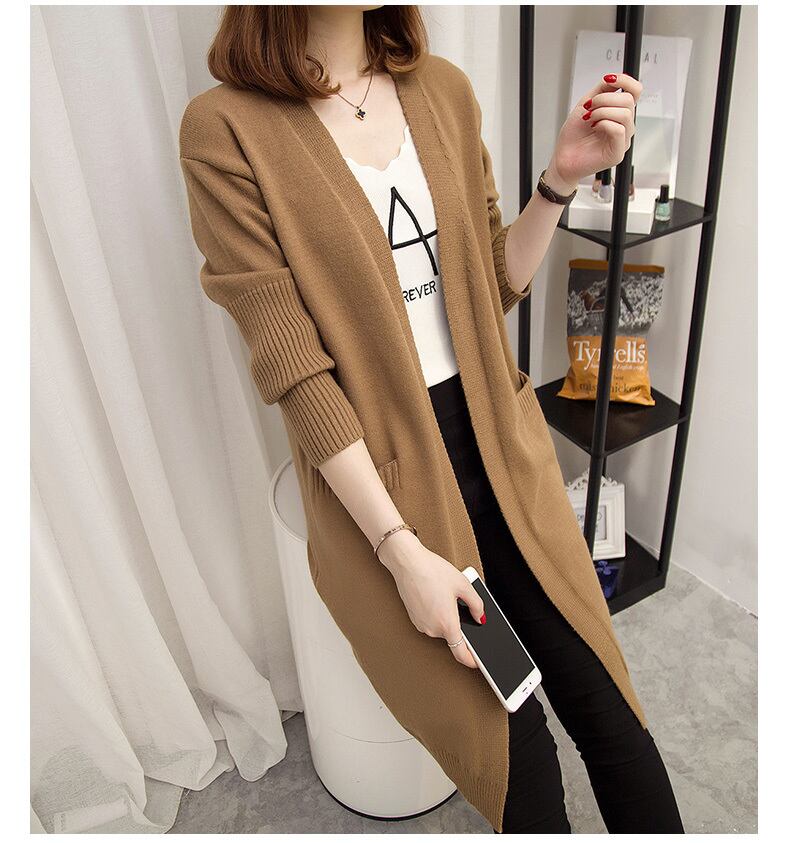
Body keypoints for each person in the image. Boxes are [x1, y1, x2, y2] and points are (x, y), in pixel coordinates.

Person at [179, 5, 684, 833]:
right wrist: (401, 551)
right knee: (519, 761)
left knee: (611, 715)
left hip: (505, 456)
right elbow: (296, 372)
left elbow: (492, 287)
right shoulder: (226, 129)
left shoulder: (441, 90)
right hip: (390, 492)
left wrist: (560, 179)